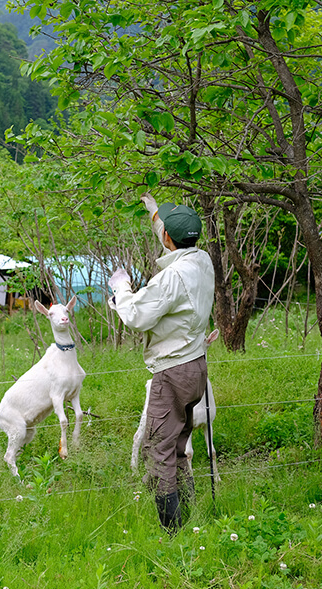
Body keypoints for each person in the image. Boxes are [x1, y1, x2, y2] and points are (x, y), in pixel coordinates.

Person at [108, 192, 215, 532]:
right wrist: (155, 215)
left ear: (169, 237)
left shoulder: (171, 278)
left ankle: (173, 531)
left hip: (171, 370)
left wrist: (121, 288)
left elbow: (137, 316)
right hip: (196, 364)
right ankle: (191, 512)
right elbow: (174, 241)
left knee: (159, 447)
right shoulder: (203, 261)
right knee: (180, 443)